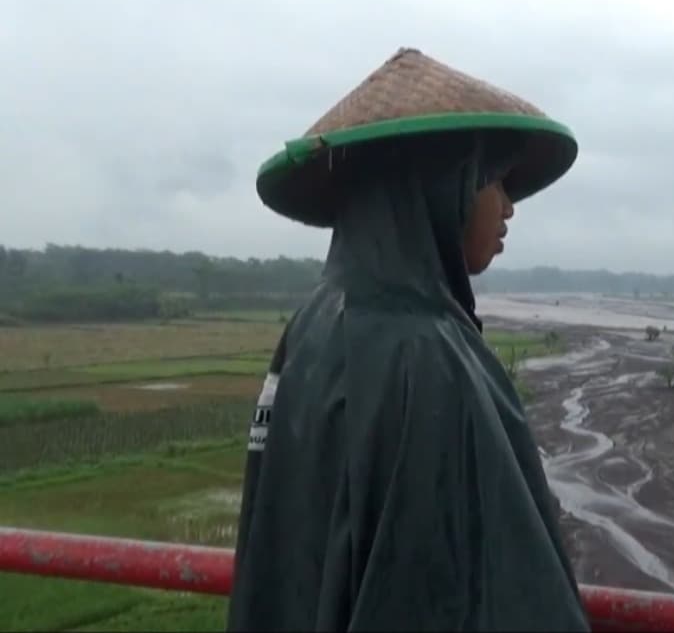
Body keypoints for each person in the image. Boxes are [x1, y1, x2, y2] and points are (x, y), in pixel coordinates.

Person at [226, 48, 590, 632]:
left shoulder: (310, 327)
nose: (509, 208)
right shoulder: (430, 357)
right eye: (495, 180)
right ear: (442, 188)